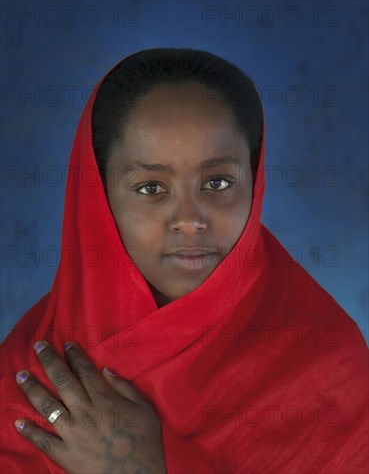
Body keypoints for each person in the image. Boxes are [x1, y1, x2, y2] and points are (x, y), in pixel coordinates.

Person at [0, 48, 368, 474]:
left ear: (255, 180)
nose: (190, 221)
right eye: (150, 188)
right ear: (97, 196)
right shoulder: (29, 367)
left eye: (217, 182)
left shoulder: (327, 363)